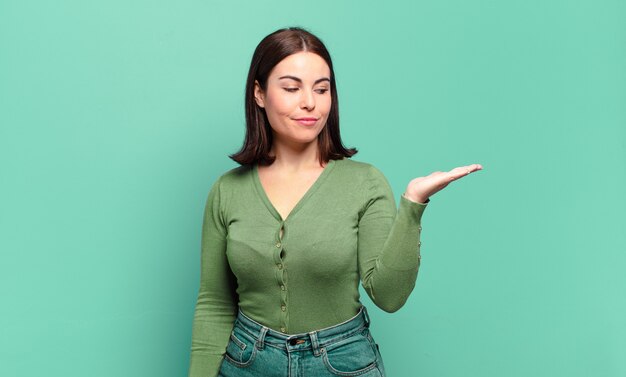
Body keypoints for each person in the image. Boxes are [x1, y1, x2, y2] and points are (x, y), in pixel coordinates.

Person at [188, 27, 482, 377]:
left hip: (340, 362)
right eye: (291, 87)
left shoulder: (365, 182)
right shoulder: (227, 190)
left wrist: (413, 205)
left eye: (322, 89)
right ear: (259, 93)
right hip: (247, 361)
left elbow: (389, 296)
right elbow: (215, 304)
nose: (309, 102)